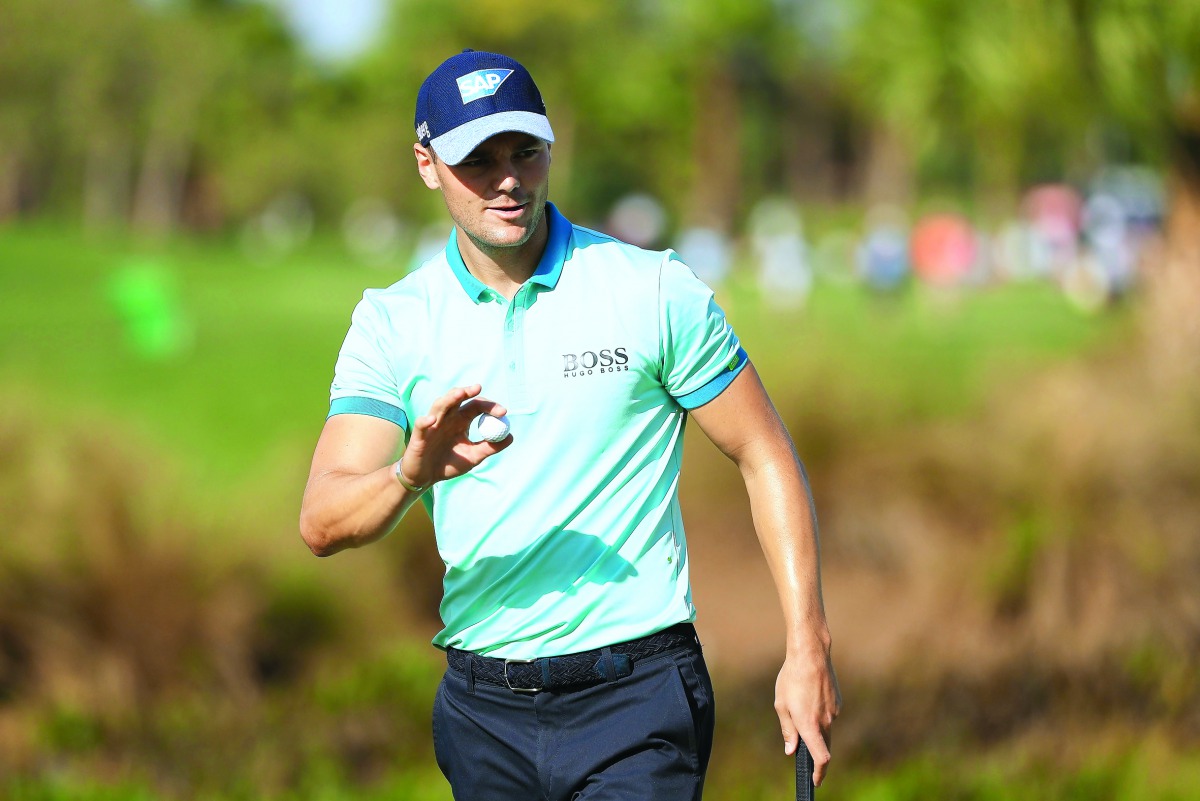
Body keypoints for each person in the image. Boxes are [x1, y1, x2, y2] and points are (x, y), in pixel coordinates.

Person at [300, 49, 840, 800]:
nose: (509, 179)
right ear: (426, 165)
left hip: (637, 694)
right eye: (477, 160)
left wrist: (805, 641)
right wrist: (409, 474)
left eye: (525, 151)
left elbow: (764, 453)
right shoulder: (392, 322)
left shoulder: (652, 289)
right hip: (482, 708)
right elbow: (323, 520)